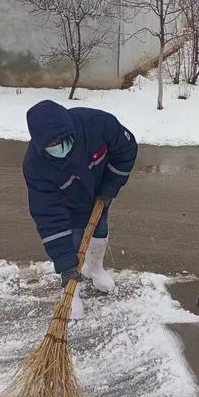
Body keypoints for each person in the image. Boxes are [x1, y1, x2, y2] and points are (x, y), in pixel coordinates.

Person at [23, 100, 137, 319]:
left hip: (101, 190)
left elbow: (127, 150)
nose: (58, 145)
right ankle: (71, 289)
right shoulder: (35, 166)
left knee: (100, 230)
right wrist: (66, 265)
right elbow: (48, 217)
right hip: (68, 205)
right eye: (51, 143)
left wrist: (110, 187)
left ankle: (95, 268)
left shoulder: (98, 124)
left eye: (61, 139)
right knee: (74, 240)